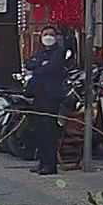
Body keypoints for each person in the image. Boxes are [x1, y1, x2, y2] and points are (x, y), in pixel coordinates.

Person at [28, 25, 68, 175]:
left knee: (49, 131)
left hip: (51, 96)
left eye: (51, 34)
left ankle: (50, 165)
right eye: (45, 34)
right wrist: (40, 65)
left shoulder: (59, 52)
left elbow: (52, 68)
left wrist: (40, 67)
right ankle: (42, 162)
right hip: (38, 95)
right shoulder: (40, 51)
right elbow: (30, 64)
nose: (48, 37)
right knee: (39, 130)